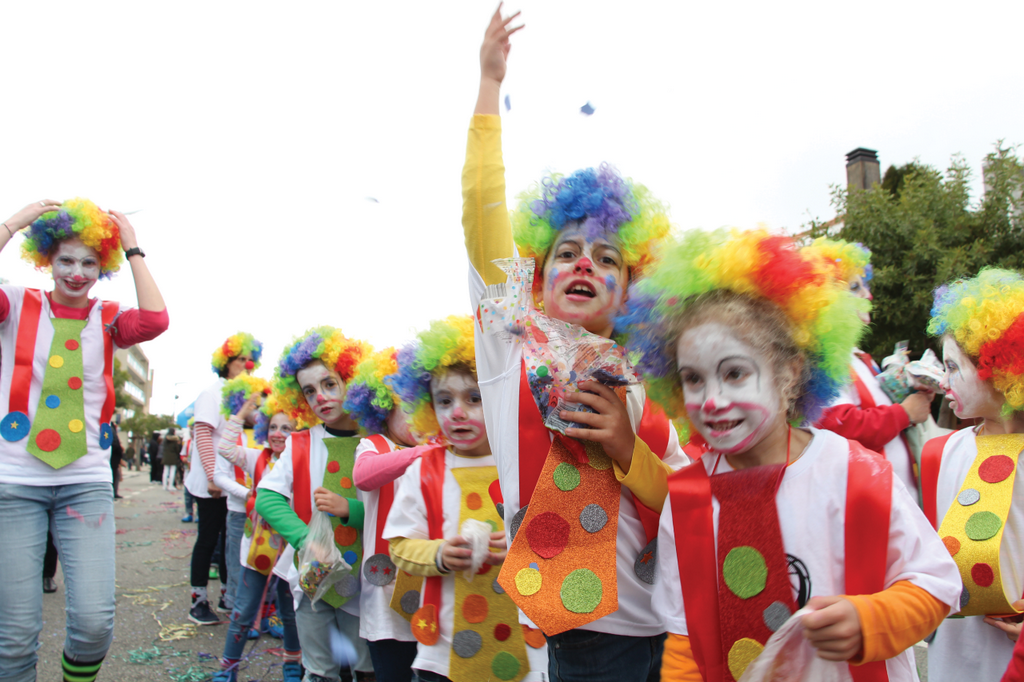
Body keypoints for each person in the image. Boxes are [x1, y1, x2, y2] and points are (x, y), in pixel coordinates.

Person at [619, 228, 962, 681]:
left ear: (789, 373)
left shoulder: (854, 473)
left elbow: (936, 582)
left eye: (735, 373)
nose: (712, 399)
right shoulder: (687, 501)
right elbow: (686, 642)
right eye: (694, 379)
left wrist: (871, 620)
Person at [463, 9, 687, 681]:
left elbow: (682, 496)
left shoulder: (645, 379)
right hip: (589, 638)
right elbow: (481, 211)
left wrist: (626, 447)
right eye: (567, 252)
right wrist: (487, 83)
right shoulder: (511, 343)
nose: (585, 264)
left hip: (669, 631)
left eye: (606, 258)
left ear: (629, 290)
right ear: (538, 273)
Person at [0, 198, 168, 682]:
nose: (76, 272)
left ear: (103, 266)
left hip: (85, 482)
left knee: (95, 624)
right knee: (13, 637)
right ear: (46, 259)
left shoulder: (109, 317)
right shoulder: (14, 303)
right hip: (14, 483)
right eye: (65, 260)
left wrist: (132, 245)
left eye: (89, 262)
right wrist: (15, 222)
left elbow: (156, 320)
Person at [383, 315, 547, 682]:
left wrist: (524, 545)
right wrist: (439, 554)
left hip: (528, 647)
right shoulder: (423, 470)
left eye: (474, 397)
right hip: (444, 649)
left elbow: (558, 536)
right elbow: (399, 544)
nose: (457, 412)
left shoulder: (527, 462)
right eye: (444, 400)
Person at [919, 268, 1024, 681]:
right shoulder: (941, 454)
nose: (943, 380)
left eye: (953, 367)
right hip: (955, 650)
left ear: (998, 370)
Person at [256, 326, 376, 682]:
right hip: (313, 582)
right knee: (319, 670)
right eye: (309, 391)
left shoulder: (379, 440)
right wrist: (305, 540)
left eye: (329, 384)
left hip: (368, 583)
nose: (320, 397)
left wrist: (351, 511)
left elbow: (398, 509)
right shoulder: (300, 443)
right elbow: (267, 496)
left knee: (366, 669)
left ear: (352, 381)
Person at [810, 238, 934, 493]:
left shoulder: (857, 356)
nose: (869, 294)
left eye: (864, 285)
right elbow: (839, 426)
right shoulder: (823, 360)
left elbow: (877, 409)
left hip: (898, 497)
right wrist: (905, 413)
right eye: (855, 287)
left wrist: (912, 391)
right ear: (826, 300)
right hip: (872, 503)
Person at [210, 388, 302, 682]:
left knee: (290, 614)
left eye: (286, 428)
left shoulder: (303, 461)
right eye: (273, 427)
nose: (277, 433)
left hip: (289, 552)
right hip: (256, 549)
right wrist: (245, 408)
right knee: (242, 612)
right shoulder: (254, 457)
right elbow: (224, 448)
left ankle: (292, 666)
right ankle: (228, 670)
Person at [347, 348, 421, 682]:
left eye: (423, 405)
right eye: (406, 406)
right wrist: (420, 453)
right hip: (385, 593)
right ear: (382, 409)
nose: (416, 416)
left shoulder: (441, 447)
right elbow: (364, 475)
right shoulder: (374, 445)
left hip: (431, 588)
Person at [185, 332, 263, 625]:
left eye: (249, 359)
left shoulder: (244, 393)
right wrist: (211, 476)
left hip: (233, 481)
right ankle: (198, 601)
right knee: (208, 539)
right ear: (226, 362)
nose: (246, 364)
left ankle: (228, 597)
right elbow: (202, 434)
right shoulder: (212, 393)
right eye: (240, 359)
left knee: (229, 541)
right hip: (212, 482)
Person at [161, 427, 183, 491]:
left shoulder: (165, 439)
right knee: (172, 472)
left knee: (165, 471)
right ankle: (170, 485)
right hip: (173, 457)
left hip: (165, 457)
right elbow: (177, 449)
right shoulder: (174, 440)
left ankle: (164, 485)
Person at [110, 422, 125, 498]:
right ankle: (113, 493)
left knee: (116, 476)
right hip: (113, 459)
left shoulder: (111, 430)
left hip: (113, 458)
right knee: (114, 476)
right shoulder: (112, 430)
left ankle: (114, 492)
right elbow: (115, 444)